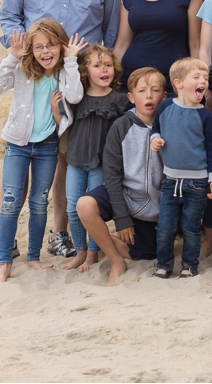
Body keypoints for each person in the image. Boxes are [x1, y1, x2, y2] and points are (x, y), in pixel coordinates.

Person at [0, 0, 122, 267]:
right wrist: (24, 56)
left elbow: (109, 29)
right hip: (35, 75)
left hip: (77, 78)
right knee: (22, 148)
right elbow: (8, 15)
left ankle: (58, 233)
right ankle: (6, 241)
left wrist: (93, 69)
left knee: (65, 156)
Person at [0, 19, 79, 278]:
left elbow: (74, 97)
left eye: (51, 45)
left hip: (48, 145)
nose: (45, 52)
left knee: (39, 202)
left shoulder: (64, 74)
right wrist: (12, 58)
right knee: (10, 202)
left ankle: (34, 256)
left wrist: (71, 61)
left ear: (61, 45)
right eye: (38, 47)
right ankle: (5, 262)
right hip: (17, 145)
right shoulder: (22, 70)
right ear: (30, 49)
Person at [86, 63, 168, 281]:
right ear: (131, 98)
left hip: (159, 208)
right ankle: (115, 262)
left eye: (155, 90)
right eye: (142, 91)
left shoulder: (171, 124)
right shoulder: (121, 126)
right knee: (85, 205)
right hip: (128, 199)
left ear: (165, 95)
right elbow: (112, 175)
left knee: (148, 255)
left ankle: (114, 241)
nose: (149, 96)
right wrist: (122, 219)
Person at [151, 57, 212, 277]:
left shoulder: (206, 116)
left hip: (197, 183)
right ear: (178, 83)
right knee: (164, 228)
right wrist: (155, 138)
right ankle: (163, 265)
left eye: (205, 78)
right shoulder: (165, 106)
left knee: (191, 228)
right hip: (170, 181)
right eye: (197, 77)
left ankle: (189, 266)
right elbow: (155, 129)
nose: (203, 81)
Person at [62, 44, 126, 274]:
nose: (104, 70)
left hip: (101, 164)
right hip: (76, 161)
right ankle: (80, 251)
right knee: (72, 207)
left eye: (108, 65)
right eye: (97, 65)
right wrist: (54, 110)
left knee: (91, 208)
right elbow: (64, 126)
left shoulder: (118, 100)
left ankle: (92, 254)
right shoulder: (77, 98)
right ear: (85, 71)